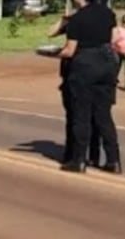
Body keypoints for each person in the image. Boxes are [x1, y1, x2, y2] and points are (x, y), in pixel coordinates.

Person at [56, 0, 121, 174]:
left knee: (81, 114)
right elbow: (114, 38)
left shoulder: (77, 19)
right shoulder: (108, 13)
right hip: (107, 65)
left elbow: (70, 49)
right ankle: (113, 160)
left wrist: (53, 53)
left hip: (84, 67)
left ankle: (79, 159)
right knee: (103, 115)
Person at [48, 15, 101, 167]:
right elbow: (51, 32)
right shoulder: (74, 24)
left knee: (81, 118)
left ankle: (81, 155)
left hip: (80, 74)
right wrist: (63, 19)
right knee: (76, 118)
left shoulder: (89, 26)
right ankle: (77, 153)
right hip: (71, 75)